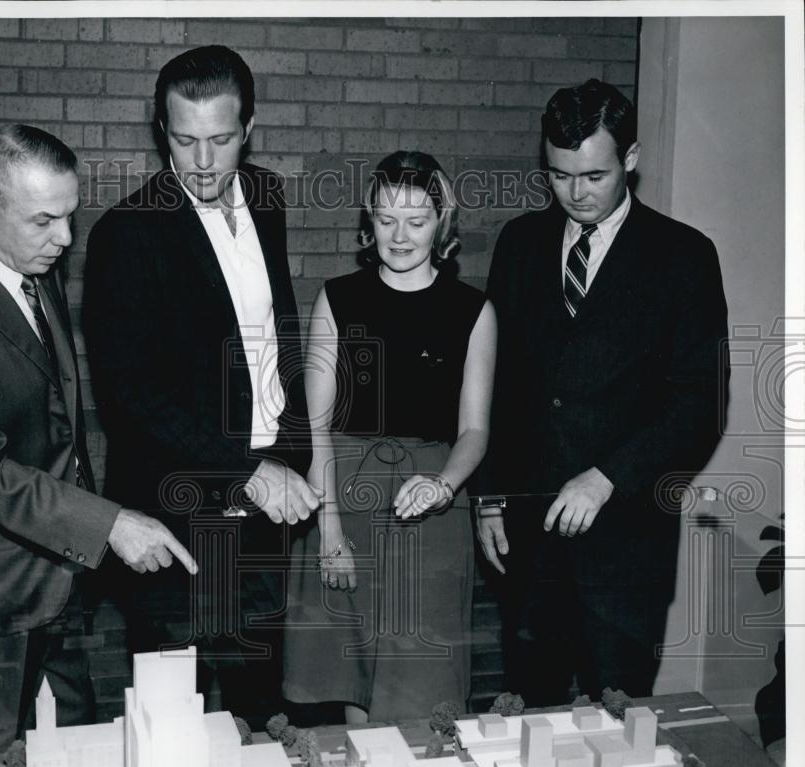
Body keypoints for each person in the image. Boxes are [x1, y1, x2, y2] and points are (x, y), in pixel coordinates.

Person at [0, 124, 196, 757]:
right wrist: (108, 523)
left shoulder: (31, 268)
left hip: (54, 583)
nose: (64, 238)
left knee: (72, 760)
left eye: (68, 216)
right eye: (43, 221)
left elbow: (55, 425)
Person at [83, 46, 315, 727]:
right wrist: (250, 469)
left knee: (260, 705)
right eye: (185, 140)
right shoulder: (125, 235)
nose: (204, 162)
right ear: (162, 130)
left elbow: (277, 328)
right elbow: (131, 396)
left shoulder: (267, 195)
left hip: (268, 502)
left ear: (249, 128)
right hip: (174, 512)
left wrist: (292, 445)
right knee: (170, 720)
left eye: (220, 139)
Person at [480, 79, 729, 706]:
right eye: (560, 176)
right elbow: (494, 388)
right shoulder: (519, 245)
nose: (577, 193)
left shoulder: (685, 258)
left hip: (627, 550)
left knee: (619, 734)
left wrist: (606, 477)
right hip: (529, 545)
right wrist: (487, 498)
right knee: (526, 725)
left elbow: (700, 406)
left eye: (594, 175)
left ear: (632, 159)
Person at [282, 151, 497, 723]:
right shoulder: (338, 298)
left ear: (442, 225)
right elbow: (316, 421)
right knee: (353, 682)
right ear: (369, 222)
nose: (400, 235)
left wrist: (444, 485)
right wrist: (327, 529)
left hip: (429, 513)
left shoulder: (473, 310)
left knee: (421, 688)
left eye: (418, 220)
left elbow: (475, 430)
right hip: (343, 500)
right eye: (386, 218)